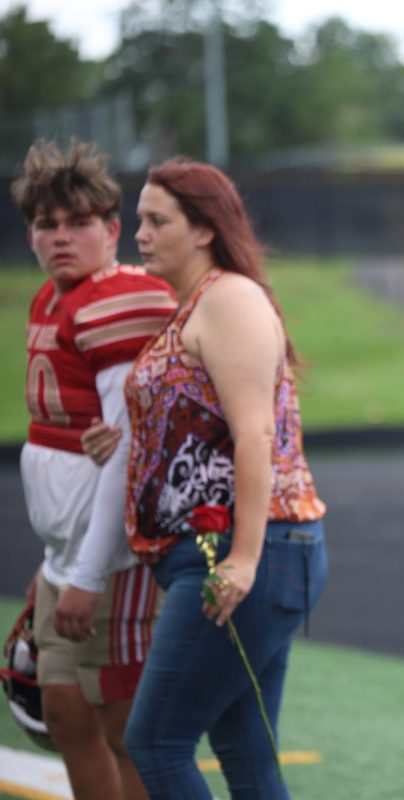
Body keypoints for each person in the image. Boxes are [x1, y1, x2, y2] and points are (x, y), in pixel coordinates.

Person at [94, 157, 328, 799]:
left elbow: (254, 435)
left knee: (156, 742)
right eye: (139, 219)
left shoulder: (229, 297)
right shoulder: (198, 304)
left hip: (249, 551)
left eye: (155, 219)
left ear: (203, 229)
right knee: (244, 748)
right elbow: (193, 425)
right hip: (225, 554)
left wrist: (244, 559)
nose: (137, 233)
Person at [11, 139, 176, 800]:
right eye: (47, 225)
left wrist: (82, 569)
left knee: (126, 729)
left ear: (111, 230)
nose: (60, 237)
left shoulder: (120, 301)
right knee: (62, 713)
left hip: (115, 561)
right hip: (67, 557)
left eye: (77, 223)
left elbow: (129, 451)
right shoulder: (51, 300)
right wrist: (53, 561)